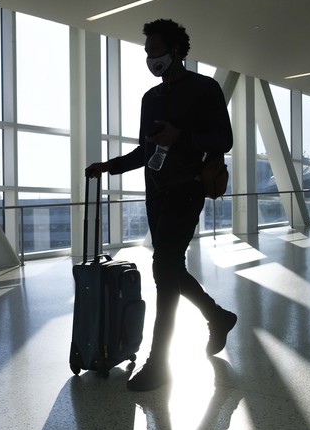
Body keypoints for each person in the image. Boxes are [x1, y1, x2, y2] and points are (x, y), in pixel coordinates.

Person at [86, 19, 237, 391]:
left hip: (188, 190)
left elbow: (224, 139)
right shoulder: (150, 98)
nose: (151, 57)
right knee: (169, 268)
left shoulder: (205, 88)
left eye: (156, 49)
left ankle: (160, 364)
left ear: (177, 51)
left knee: (163, 269)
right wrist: (109, 166)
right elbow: (145, 151)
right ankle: (217, 317)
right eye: (147, 51)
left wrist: (182, 137)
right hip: (156, 194)